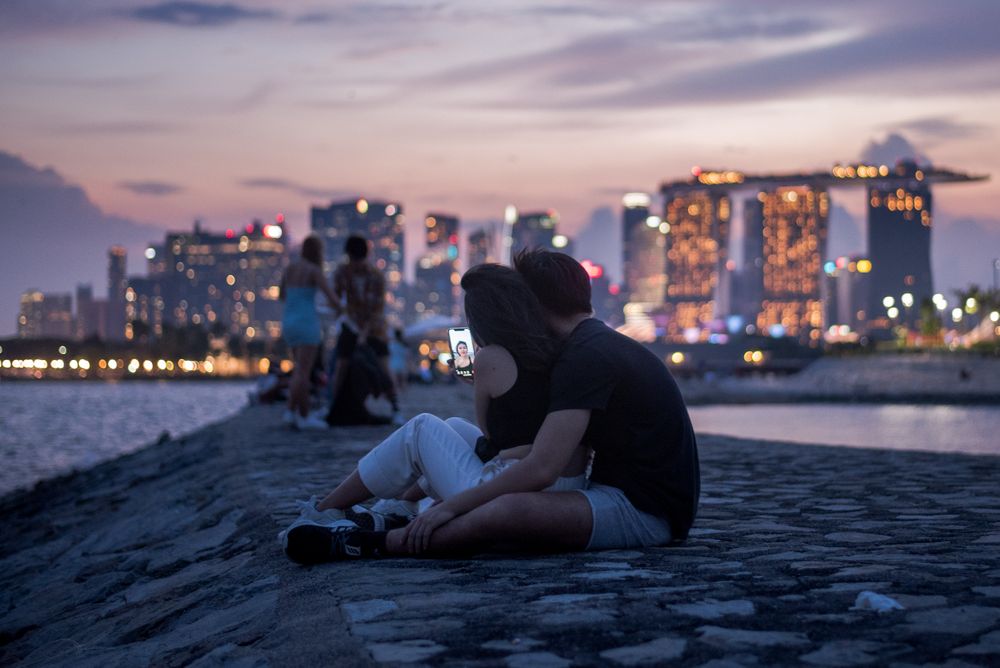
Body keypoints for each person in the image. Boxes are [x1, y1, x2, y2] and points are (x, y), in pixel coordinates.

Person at [283, 248, 699, 561]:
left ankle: (373, 543)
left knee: (508, 510)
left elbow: (542, 467)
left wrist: (453, 507)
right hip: (636, 498)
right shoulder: (593, 344)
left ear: (533, 304)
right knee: (467, 448)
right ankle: (389, 513)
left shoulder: (585, 357)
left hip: (641, 511)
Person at [281, 264, 590, 562]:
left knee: (422, 429)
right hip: (560, 486)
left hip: (512, 491)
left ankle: (323, 509)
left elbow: (493, 437)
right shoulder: (546, 348)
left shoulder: (492, 357)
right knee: (454, 425)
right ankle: (397, 507)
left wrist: (478, 381)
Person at [328, 235, 403, 426]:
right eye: (353, 261)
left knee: (384, 368)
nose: (356, 265)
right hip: (350, 327)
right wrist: (345, 319)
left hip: (375, 329)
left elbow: (377, 309)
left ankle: (395, 409)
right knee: (341, 367)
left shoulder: (376, 276)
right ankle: (333, 409)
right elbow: (335, 300)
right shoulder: (341, 273)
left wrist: (364, 332)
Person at [280, 235, 340, 430]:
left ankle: (293, 412)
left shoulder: (289, 269)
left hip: (289, 322)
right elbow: (331, 297)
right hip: (307, 322)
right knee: (303, 372)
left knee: (299, 369)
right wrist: (343, 310)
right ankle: (301, 415)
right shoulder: (314, 271)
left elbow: (281, 295)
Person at [388, 328, 409, 393]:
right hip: (402, 364)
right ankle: (404, 393)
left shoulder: (391, 345)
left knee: (395, 382)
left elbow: (389, 354)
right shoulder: (404, 345)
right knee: (403, 381)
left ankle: (396, 393)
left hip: (393, 364)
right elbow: (408, 355)